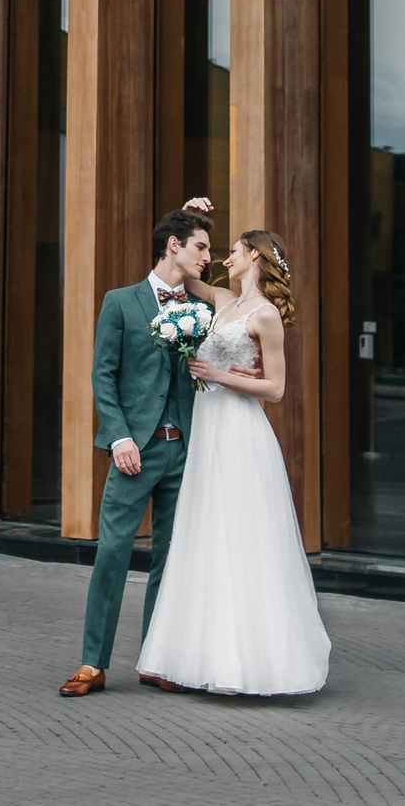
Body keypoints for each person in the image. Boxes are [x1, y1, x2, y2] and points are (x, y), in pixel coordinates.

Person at [133, 225, 333, 696]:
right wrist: (187, 215)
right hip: (210, 430)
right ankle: (198, 653)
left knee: (242, 534)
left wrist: (222, 375)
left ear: (256, 258)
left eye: (235, 253)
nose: (225, 259)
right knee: (206, 531)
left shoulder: (265, 316)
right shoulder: (224, 302)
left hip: (241, 433)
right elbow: (180, 271)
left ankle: (251, 661)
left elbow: (277, 389)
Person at [59, 204, 213, 697]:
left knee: (170, 557)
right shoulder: (120, 302)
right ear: (174, 246)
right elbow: (102, 375)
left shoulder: (203, 308)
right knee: (113, 552)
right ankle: (92, 663)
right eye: (201, 247)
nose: (207, 256)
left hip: (183, 450)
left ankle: (156, 659)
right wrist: (120, 436)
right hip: (135, 451)